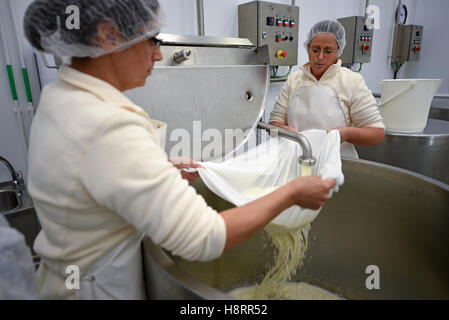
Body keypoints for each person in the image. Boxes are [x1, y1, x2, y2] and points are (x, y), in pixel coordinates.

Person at [24, 0, 336, 300]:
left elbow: (96, 176)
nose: (159, 56)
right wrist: (291, 193)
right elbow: (205, 238)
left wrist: (160, 169)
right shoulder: (108, 124)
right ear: (108, 36)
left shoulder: (60, 96)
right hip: (98, 288)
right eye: (152, 40)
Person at [269, 20, 385, 158]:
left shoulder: (352, 81)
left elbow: (376, 133)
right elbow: (273, 126)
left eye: (328, 51)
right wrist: (287, 132)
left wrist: (346, 134)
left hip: (338, 164)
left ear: (338, 51)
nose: (320, 57)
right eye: (315, 50)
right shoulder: (294, 80)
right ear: (307, 48)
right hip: (296, 160)